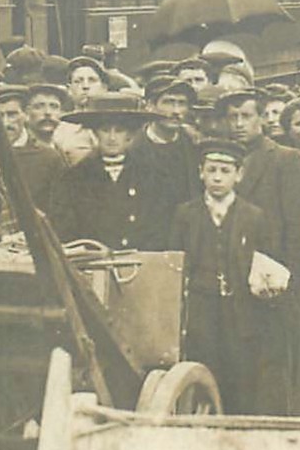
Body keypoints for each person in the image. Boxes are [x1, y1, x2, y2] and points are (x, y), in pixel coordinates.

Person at [222, 86, 300, 414]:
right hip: (234, 275)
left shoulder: (285, 159)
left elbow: (299, 225)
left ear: (262, 118)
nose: (238, 124)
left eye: (246, 116)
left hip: (272, 277)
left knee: (273, 361)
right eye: (232, 117)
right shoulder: (222, 160)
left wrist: (292, 279)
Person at [169, 139, 276, 413]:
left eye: (225, 171)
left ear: (239, 175)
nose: (217, 177)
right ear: (201, 172)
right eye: (212, 169)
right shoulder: (186, 214)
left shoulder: (254, 217)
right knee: (202, 369)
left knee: (241, 375)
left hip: (240, 312)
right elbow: (175, 262)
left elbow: (265, 262)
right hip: (200, 311)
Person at [49, 93, 170, 250]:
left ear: (130, 134)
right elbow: (65, 232)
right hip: (92, 263)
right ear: (94, 133)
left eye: (119, 130)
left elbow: (160, 228)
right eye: (105, 130)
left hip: (140, 262)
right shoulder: (74, 178)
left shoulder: (152, 175)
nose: (112, 138)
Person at [0, 84, 65, 212]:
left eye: (12, 115)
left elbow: (60, 208)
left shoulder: (48, 156)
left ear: (25, 114)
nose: (5, 123)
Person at [139, 76, 202, 209]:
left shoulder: (195, 146)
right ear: (150, 106)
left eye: (182, 103)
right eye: (168, 102)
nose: (176, 111)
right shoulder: (134, 147)